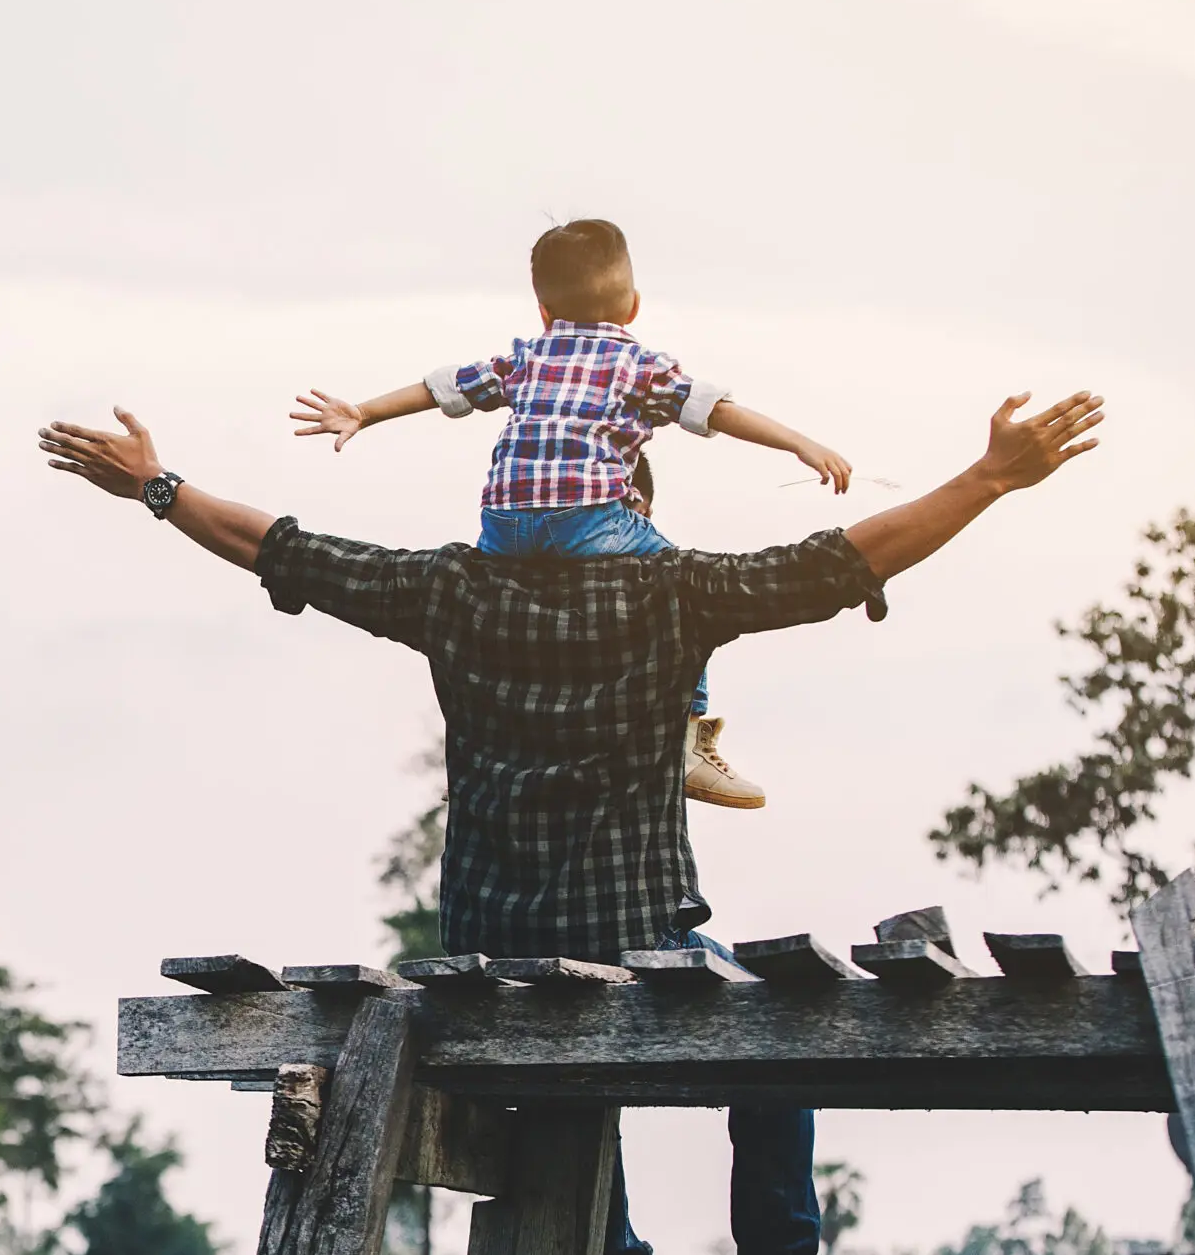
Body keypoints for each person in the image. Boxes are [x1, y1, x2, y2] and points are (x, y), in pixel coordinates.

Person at [40, 388, 1103, 1255]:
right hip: (636, 932)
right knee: (785, 1044)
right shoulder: (670, 591)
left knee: (564, 1092)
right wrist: (989, 478)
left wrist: (158, 486)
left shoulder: (451, 591)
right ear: (628, 505)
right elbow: (841, 562)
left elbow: (281, 549)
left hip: (492, 951)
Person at [289, 219, 854, 812]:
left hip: (502, 528)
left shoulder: (527, 358)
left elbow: (443, 389)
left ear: (541, 309)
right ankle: (687, 732)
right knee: (689, 590)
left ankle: (490, 744)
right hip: (587, 520)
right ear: (633, 306)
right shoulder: (638, 365)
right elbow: (714, 410)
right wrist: (799, 442)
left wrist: (365, 413)